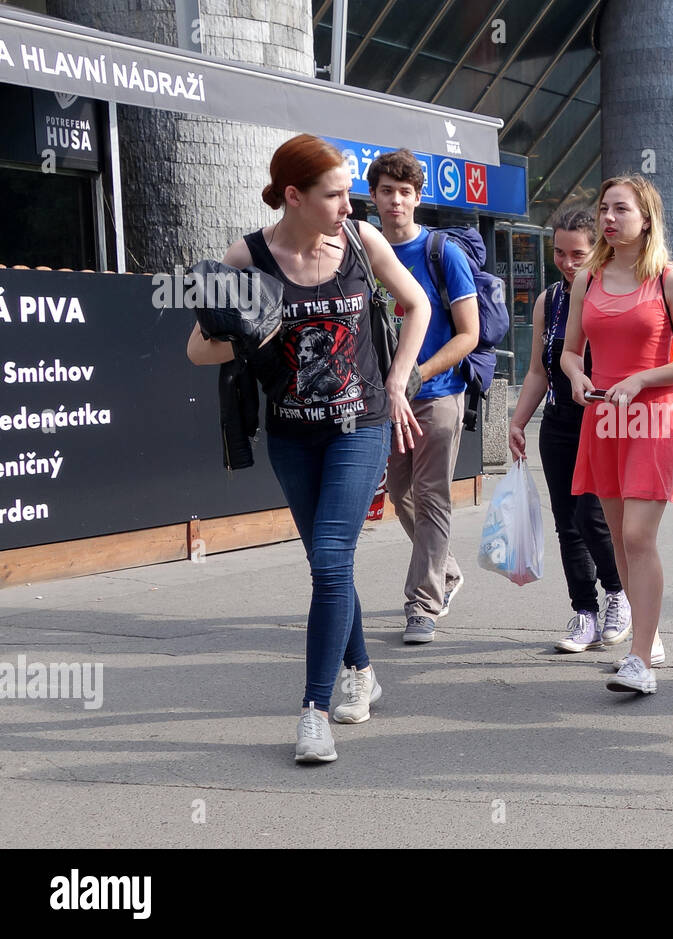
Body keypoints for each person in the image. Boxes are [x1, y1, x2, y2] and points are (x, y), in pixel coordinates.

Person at [186, 134, 430, 763]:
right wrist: (249, 333)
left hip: (363, 425)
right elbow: (196, 349)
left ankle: (313, 711)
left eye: (349, 193)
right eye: (335, 195)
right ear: (293, 197)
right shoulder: (247, 257)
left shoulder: (360, 242)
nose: (349, 206)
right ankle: (362, 669)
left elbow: (417, 305)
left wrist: (400, 379)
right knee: (330, 565)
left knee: (327, 559)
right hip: (292, 434)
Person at [561, 174, 673, 695]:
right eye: (604, 209)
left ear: (647, 218)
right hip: (604, 419)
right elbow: (570, 350)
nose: (608, 218)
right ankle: (649, 634)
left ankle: (640, 658)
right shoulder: (589, 278)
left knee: (639, 536)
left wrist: (642, 378)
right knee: (622, 538)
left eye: (620, 209)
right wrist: (578, 377)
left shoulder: (670, 280)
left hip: (656, 418)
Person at [366, 149, 479, 645]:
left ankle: (423, 604)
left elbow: (469, 334)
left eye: (405, 192)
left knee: (432, 494)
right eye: (386, 191)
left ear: (418, 198)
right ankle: (446, 570)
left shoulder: (440, 253)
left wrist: (419, 373)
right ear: (372, 197)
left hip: (437, 394)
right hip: (384, 400)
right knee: (398, 493)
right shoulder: (363, 252)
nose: (395, 201)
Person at [508, 204, 631, 653]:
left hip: (604, 421)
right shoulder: (550, 300)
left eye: (576, 253)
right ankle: (584, 612)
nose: (567, 262)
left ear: (596, 245)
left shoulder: (610, 291)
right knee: (567, 522)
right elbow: (540, 370)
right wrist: (518, 420)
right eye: (559, 253)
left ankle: (619, 594)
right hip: (559, 421)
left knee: (593, 517)